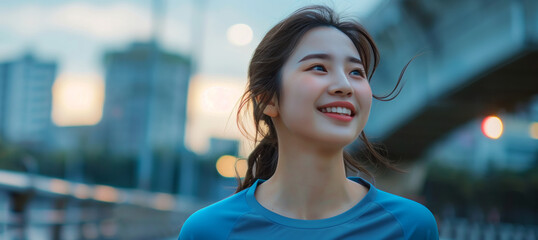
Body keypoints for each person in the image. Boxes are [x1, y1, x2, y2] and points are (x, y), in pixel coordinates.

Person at [179, 5, 439, 240]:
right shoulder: (208, 231)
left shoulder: (410, 226)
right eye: (319, 67)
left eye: (356, 72)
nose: (344, 86)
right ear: (268, 100)